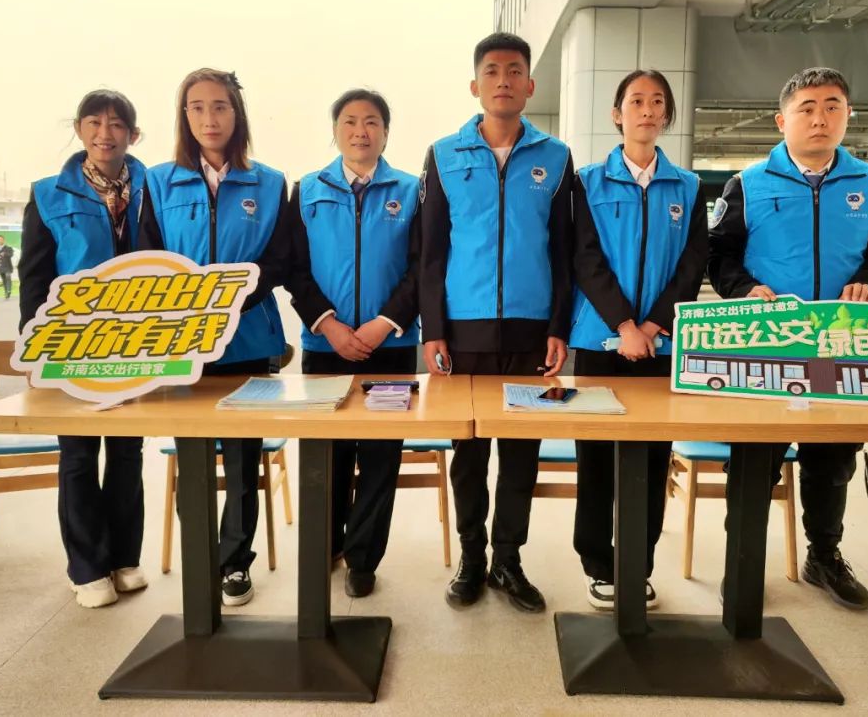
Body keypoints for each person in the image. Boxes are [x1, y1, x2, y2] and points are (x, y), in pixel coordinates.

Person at [709, 67, 868, 610]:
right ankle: (742, 562)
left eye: (832, 106)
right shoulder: (748, 184)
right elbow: (720, 255)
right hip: (766, 347)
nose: (820, 118)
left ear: (848, 115)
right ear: (782, 121)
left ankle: (824, 556)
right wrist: (744, 289)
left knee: (833, 459)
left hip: (841, 346)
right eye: (807, 108)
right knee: (753, 460)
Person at [420, 32, 573, 613]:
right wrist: (434, 328)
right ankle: (471, 557)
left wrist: (558, 326)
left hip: (532, 329)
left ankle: (508, 560)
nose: (503, 80)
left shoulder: (555, 157)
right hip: (464, 330)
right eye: (491, 70)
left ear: (530, 85)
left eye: (513, 71)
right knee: (469, 452)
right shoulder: (443, 154)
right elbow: (431, 250)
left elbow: (563, 249)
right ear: (475, 85)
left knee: (521, 451)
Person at [140, 68, 291, 608]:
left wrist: (228, 303)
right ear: (184, 116)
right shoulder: (157, 181)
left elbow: (279, 259)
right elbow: (147, 256)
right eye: (198, 107)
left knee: (244, 462)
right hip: (182, 346)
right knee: (195, 459)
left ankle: (235, 563)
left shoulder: (269, 182)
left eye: (220, 106)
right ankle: (202, 556)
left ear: (237, 114)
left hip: (248, 341)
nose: (210, 118)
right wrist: (190, 311)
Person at [569, 69, 707, 611]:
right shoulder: (587, 181)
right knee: (596, 457)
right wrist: (624, 326)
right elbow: (584, 258)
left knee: (653, 459)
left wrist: (651, 327)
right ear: (616, 114)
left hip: (661, 347)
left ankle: (638, 563)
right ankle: (597, 563)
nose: (647, 110)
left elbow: (692, 265)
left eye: (657, 102)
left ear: (667, 115)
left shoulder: (688, 186)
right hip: (599, 343)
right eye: (636, 101)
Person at [18, 89, 148, 608]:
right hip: (71, 344)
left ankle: (124, 559)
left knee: (128, 450)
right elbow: (34, 278)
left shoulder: (155, 187)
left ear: (133, 135)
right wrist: (35, 346)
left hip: (137, 344)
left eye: (116, 124)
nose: (104, 133)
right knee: (77, 454)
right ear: (78, 130)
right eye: (94, 122)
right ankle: (87, 568)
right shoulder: (49, 194)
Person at [289, 89, 420, 598]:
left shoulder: (411, 190)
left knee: (381, 458)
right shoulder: (306, 191)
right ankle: (327, 544)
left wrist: (384, 323)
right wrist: (329, 325)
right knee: (329, 455)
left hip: (391, 347)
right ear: (335, 131)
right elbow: (294, 268)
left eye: (371, 122)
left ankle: (363, 559)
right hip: (325, 347)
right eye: (349, 121)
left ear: (385, 132)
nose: (360, 131)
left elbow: (421, 267)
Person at [0, 234, 15, 299]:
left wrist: (5, 254)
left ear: (3, 240)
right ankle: (6, 292)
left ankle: (9, 290)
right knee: (4, 280)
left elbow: (11, 254)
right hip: (1, 267)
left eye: (0, 239)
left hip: (7, 266)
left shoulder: (8, 248)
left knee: (8, 277)